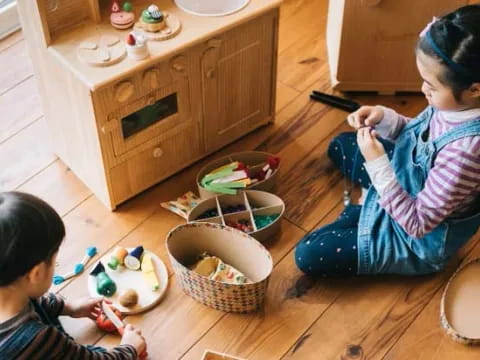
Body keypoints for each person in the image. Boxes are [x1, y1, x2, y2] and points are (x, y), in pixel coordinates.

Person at [295, 5, 480, 277]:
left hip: (413, 237)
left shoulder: (466, 152)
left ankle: (363, 212)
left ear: (474, 89)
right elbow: (418, 136)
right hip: (407, 183)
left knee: (308, 253)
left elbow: (417, 224)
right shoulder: (456, 105)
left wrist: (377, 163)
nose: (422, 90)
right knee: (340, 145)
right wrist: (385, 118)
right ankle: (369, 207)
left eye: (430, 86)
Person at [0, 191, 146, 359]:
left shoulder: (10, 289)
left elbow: (34, 300)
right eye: (54, 261)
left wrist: (69, 307)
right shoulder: (39, 340)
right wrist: (130, 348)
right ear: (36, 273)